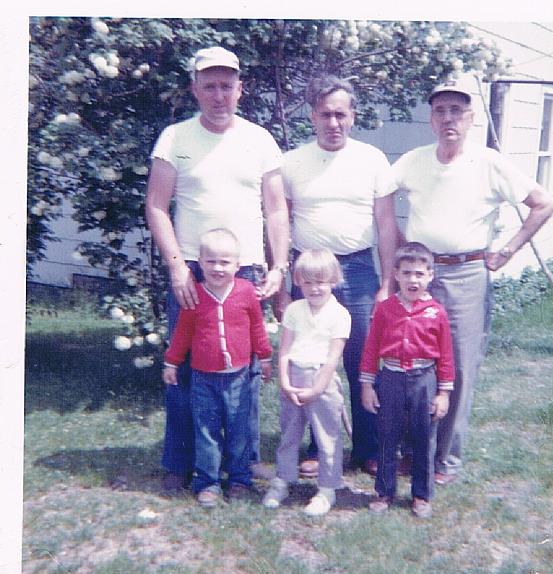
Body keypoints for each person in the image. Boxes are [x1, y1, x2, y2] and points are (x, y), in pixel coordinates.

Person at [392, 74, 553, 484]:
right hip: (419, 276)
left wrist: (508, 250)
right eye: (441, 111)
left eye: (457, 111)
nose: (448, 119)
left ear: (470, 117)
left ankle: (444, 458)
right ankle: (413, 451)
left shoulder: (489, 162)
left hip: (467, 274)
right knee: (412, 362)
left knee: (459, 367)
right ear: (431, 118)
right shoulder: (412, 161)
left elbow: (543, 204)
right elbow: (376, 200)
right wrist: (398, 250)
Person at [145, 46, 289, 493]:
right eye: (209, 85)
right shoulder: (175, 138)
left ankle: (240, 465)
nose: (219, 94)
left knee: (243, 372)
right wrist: (175, 268)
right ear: (195, 89)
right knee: (187, 364)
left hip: (245, 270)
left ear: (240, 89)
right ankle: (180, 462)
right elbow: (155, 206)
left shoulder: (260, 140)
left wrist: (279, 265)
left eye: (227, 85)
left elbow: (277, 209)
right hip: (192, 270)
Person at [281, 75, 399, 478]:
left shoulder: (372, 160)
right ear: (312, 117)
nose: (333, 122)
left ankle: (367, 447)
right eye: (325, 114)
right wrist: (283, 277)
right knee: (312, 358)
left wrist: (387, 283)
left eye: (341, 114)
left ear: (353, 116)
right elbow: (279, 221)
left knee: (364, 359)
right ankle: (319, 444)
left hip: (360, 268)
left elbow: (386, 224)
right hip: (310, 270)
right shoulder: (292, 161)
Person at [163, 229, 273, 506]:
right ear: (199, 263)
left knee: (239, 430)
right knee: (207, 431)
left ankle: (239, 479)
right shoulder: (195, 296)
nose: (218, 268)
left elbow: (258, 327)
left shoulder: (246, 292)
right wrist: (172, 362)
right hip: (203, 378)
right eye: (211, 262)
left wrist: (266, 356)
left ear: (238, 265)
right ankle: (208, 482)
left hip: (238, 376)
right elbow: (182, 334)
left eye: (225, 262)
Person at [360, 243, 454, 518]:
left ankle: (421, 495)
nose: (413, 280)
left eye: (419, 274)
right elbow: (371, 348)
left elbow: (446, 356)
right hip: (390, 378)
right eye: (407, 273)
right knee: (388, 435)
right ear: (396, 275)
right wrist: (367, 385)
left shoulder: (436, 312)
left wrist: (443, 393)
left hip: (424, 379)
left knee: (424, 437)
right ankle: (384, 491)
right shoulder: (385, 309)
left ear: (430, 276)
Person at [263, 249, 351, 516]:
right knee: (289, 433)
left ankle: (327, 488)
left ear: (334, 280)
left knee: (327, 437)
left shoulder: (340, 315)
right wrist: (285, 382)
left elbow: (332, 359)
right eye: (309, 281)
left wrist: (316, 389)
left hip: (321, 381)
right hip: (294, 376)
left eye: (321, 281)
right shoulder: (293, 310)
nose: (315, 288)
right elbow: (285, 350)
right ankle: (283, 479)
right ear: (298, 281)